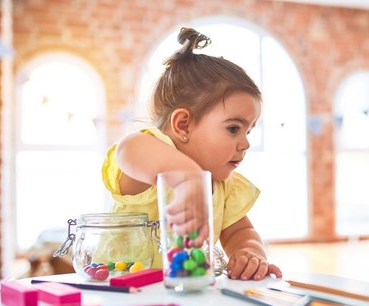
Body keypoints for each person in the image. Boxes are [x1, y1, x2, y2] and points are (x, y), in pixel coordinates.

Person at [102, 27, 282, 281]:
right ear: (183, 125)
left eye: (248, 131)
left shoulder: (223, 186)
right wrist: (188, 179)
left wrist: (249, 253)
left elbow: (240, 232)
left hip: (184, 301)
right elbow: (129, 149)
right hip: (119, 298)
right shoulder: (147, 163)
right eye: (233, 129)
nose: (245, 144)